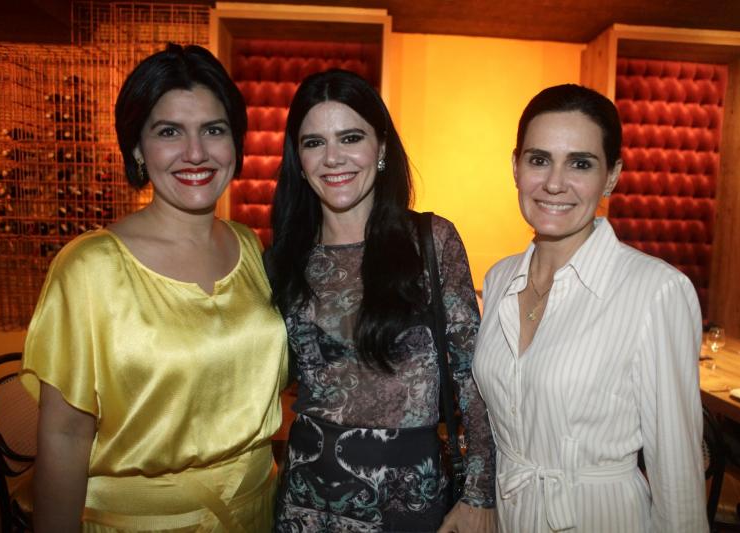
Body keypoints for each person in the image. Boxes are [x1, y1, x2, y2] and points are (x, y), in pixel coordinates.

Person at [20, 43, 289, 532]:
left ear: (235, 143)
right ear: (138, 149)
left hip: (259, 512)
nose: (196, 152)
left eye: (214, 129)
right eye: (169, 132)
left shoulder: (251, 247)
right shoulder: (90, 267)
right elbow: (65, 434)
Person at [265, 69, 496, 532]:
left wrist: (479, 493)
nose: (333, 158)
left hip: (405, 497)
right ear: (299, 160)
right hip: (306, 498)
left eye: (350, 138)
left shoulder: (430, 241)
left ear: (382, 147)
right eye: (314, 143)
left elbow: (474, 377)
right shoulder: (284, 256)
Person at [472, 84, 707, 532]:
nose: (554, 183)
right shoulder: (499, 278)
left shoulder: (656, 290)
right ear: (516, 167)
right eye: (539, 160)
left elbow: (677, 472)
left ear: (612, 176)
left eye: (580, 163)